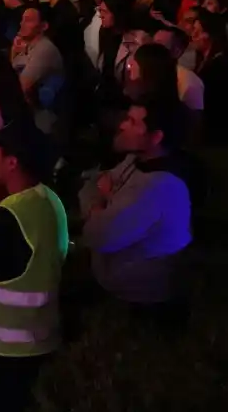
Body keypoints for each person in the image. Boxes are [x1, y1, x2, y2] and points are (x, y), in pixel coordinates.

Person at [0, 122, 67, 412]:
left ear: (12, 162)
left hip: (6, 349)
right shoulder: (50, 199)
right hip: (42, 336)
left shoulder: (4, 219)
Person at [78, 101, 194, 312]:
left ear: (156, 137)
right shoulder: (136, 160)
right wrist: (104, 203)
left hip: (134, 291)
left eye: (133, 122)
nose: (122, 126)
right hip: (114, 270)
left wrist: (99, 205)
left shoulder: (158, 186)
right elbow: (91, 186)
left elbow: (97, 236)